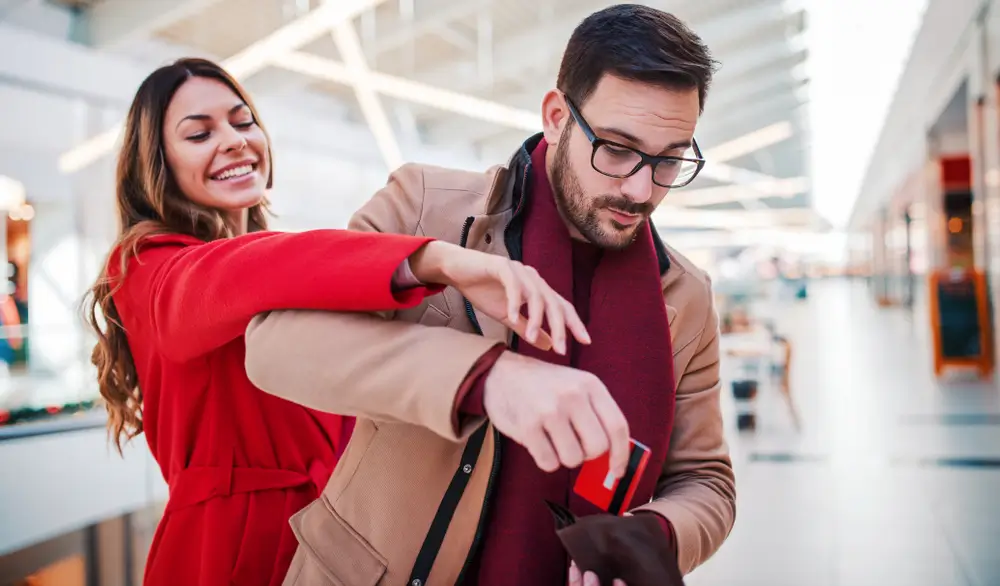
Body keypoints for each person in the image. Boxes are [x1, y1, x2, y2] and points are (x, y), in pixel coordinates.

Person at [245, 5, 736, 585]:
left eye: (670, 159)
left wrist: (653, 538)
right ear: (556, 117)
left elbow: (705, 479)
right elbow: (275, 344)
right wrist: (487, 378)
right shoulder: (426, 207)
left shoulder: (685, 295)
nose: (640, 188)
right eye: (618, 149)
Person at [82, 58, 588, 586]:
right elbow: (231, 275)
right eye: (199, 133)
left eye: (242, 120)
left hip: (333, 539)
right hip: (226, 550)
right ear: (157, 162)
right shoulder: (146, 266)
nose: (233, 140)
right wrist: (435, 259)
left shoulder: (283, 273)